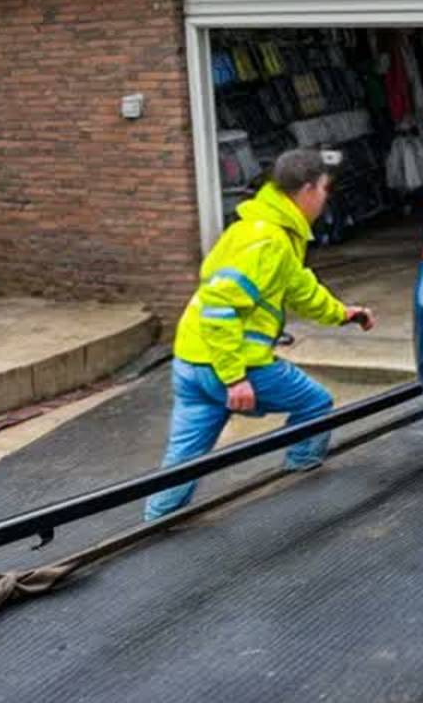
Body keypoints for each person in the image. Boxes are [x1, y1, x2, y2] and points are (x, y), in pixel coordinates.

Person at [143, 149, 375, 521]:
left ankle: (155, 521)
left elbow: (300, 287)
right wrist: (234, 377)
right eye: (324, 189)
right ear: (306, 191)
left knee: (183, 460)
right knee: (315, 405)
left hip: (190, 360)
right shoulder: (269, 241)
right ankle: (300, 483)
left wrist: (342, 314)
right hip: (233, 364)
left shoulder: (259, 229)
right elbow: (220, 306)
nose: (326, 198)